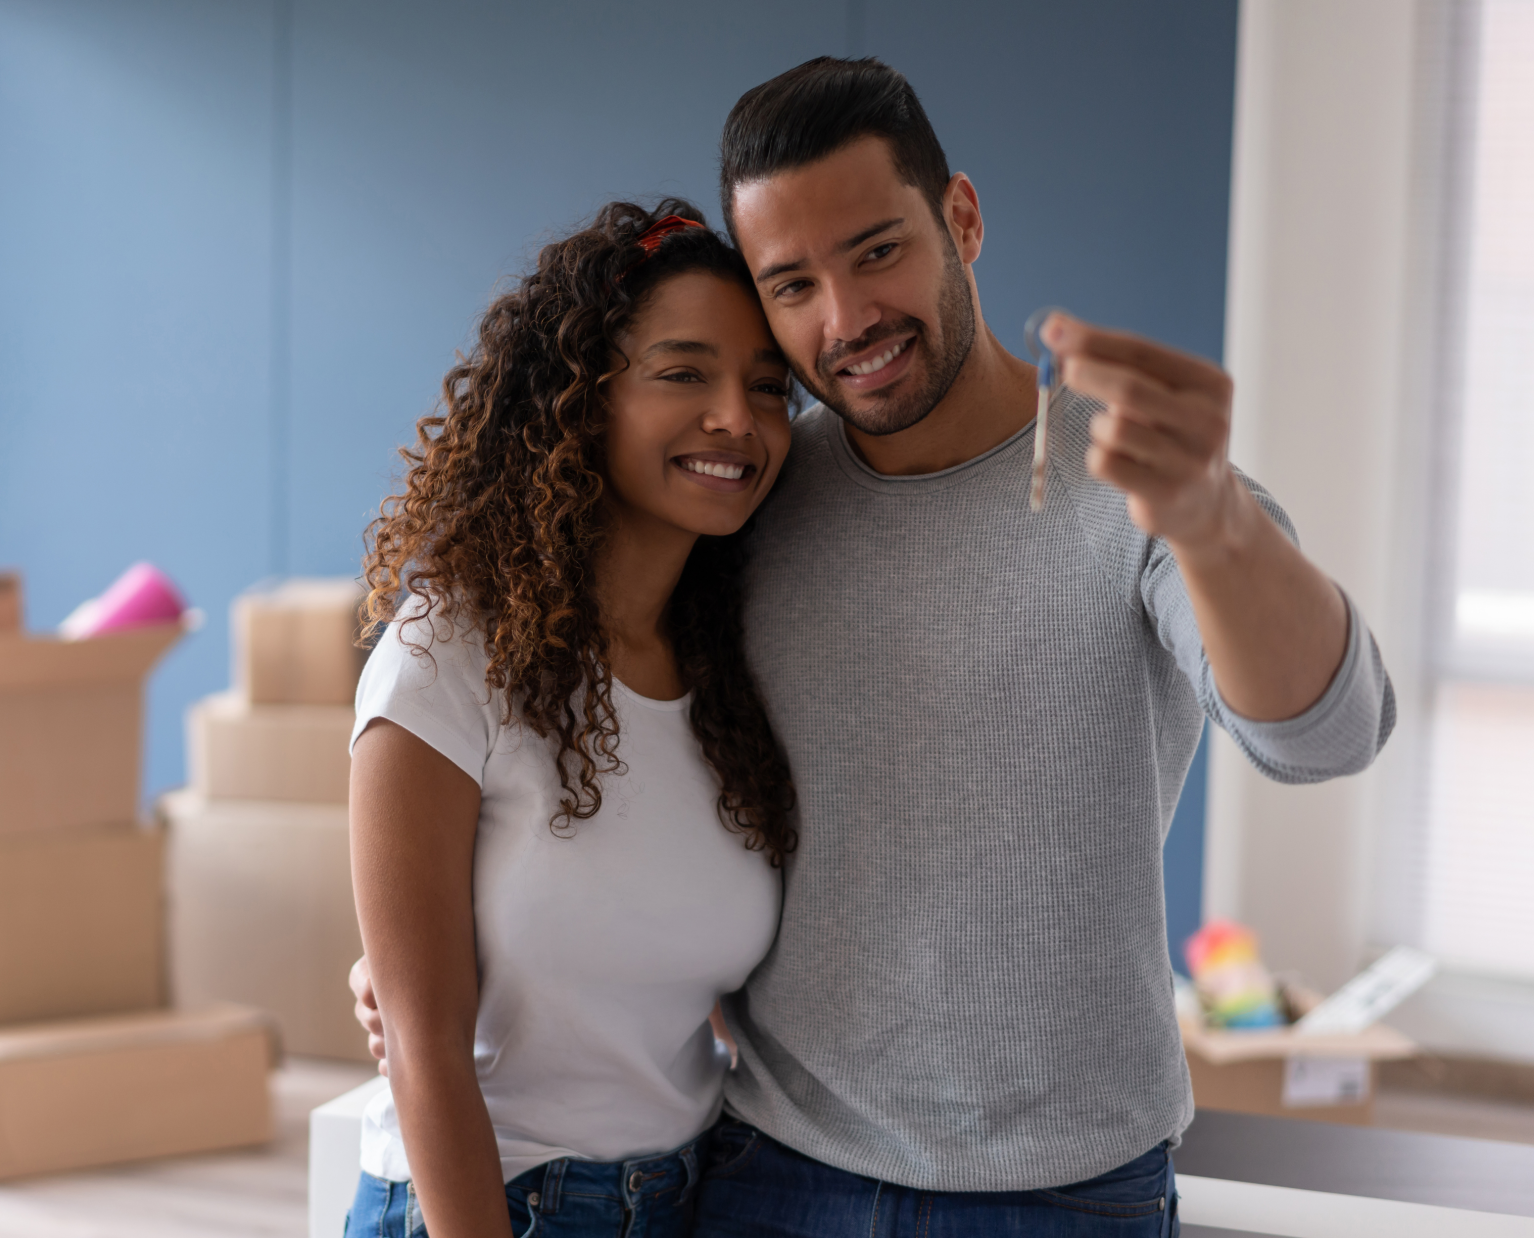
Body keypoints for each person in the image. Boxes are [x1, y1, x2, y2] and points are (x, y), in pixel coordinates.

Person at [355, 58, 1395, 1237]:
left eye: (877, 251)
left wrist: (1215, 523)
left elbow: (1327, 735)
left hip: (1065, 1192)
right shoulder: (754, 495)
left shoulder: (1142, 492)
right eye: (790, 282)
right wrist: (430, 969)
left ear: (961, 217)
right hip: (768, 1171)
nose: (844, 320)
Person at [346, 199, 800, 1238]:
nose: (736, 414)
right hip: (487, 1203)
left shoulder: (730, 675)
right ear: (579, 400)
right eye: (683, 371)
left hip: (689, 1197)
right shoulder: (445, 654)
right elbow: (424, 1051)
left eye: (768, 387)